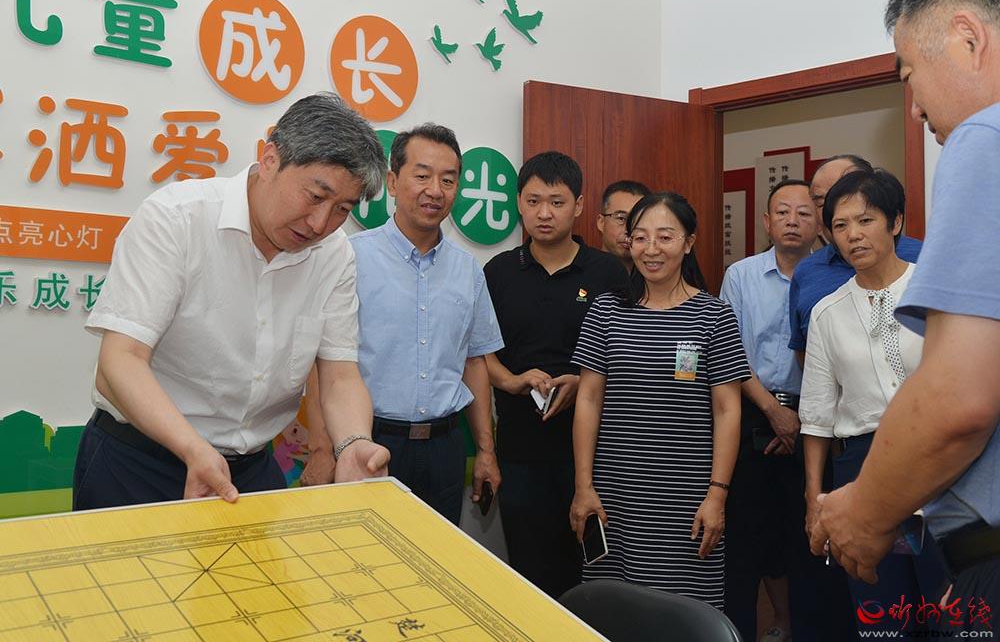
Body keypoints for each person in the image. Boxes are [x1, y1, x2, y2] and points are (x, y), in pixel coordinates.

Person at [73, 92, 391, 510]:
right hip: (139, 464)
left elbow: (339, 376)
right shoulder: (176, 218)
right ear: (271, 159)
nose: (320, 224)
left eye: (341, 209)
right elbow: (121, 360)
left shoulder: (334, 254)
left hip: (251, 470)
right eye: (315, 197)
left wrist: (353, 443)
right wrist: (192, 448)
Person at [812, 0, 1000, 626]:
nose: (915, 109)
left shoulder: (987, 138)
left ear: (968, 39)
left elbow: (959, 398)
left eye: (910, 74)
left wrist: (864, 513)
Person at [306, 124, 503, 525]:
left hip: (445, 448)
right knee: (363, 557)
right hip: (367, 442)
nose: (435, 190)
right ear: (393, 182)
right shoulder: (350, 259)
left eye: (448, 180)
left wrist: (486, 451)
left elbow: (474, 362)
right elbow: (321, 363)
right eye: (422, 175)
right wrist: (323, 449)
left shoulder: (468, 270)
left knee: (436, 558)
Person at [569, 191, 748, 610]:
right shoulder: (606, 311)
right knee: (614, 609)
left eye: (665, 237)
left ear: (688, 242)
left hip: (688, 498)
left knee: (684, 612)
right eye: (640, 237)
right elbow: (588, 400)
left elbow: (728, 410)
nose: (651, 249)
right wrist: (583, 487)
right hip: (615, 494)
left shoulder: (714, 317)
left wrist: (717, 495)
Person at [800, 169, 945, 634]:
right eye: (840, 226)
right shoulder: (826, 312)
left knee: (953, 605)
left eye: (865, 221)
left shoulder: (935, 292)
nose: (853, 235)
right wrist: (814, 498)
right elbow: (817, 415)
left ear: (895, 222)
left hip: (941, 460)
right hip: (861, 469)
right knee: (883, 609)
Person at [484, 151, 626, 598]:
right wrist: (511, 380)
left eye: (557, 202)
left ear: (579, 205)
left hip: (596, 453)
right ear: (519, 204)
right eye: (533, 201)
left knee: (593, 572)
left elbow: (627, 358)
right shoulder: (498, 271)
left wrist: (583, 382)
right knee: (530, 573)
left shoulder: (608, 272)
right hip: (520, 450)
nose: (544, 213)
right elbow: (478, 354)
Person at [720, 179, 819, 642]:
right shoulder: (741, 275)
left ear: (818, 221)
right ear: (766, 221)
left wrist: (798, 418)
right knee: (745, 535)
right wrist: (773, 412)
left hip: (813, 421)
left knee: (802, 535)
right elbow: (729, 354)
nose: (792, 221)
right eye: (782, 212)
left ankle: (798, 624)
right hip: (749, 413)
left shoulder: (831, 275)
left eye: (803, 213)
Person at [788, 155, 922, 364]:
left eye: (865, 220)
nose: (834, 204)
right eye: (820, 201)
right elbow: (806, 354)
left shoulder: (923, 258)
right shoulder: (807, 273)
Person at [596, 180, 651, 272]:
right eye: (621, 218)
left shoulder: (654, 277)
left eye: (638, 220)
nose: (628, 230)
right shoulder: (584, 275)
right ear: (601, 222)